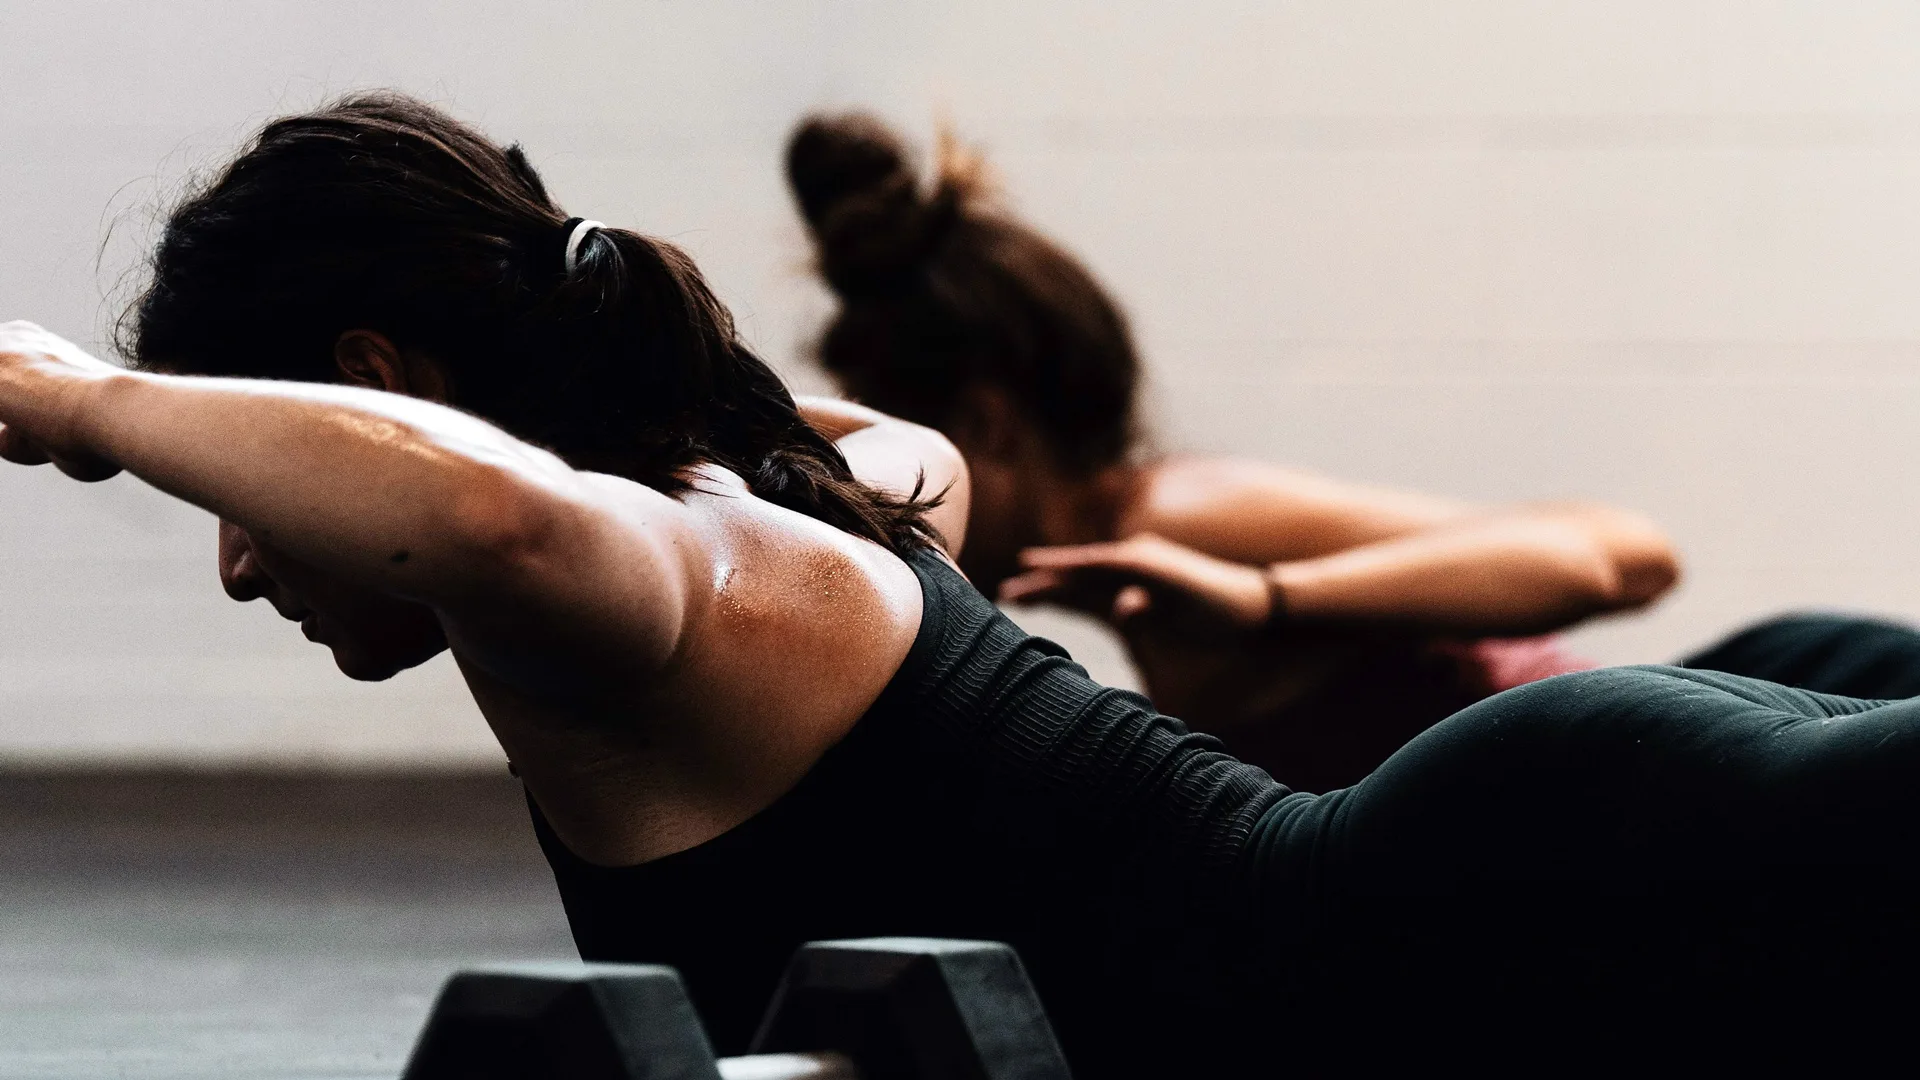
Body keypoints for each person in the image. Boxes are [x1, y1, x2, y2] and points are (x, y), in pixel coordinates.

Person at [8, 93, 1920, 1071]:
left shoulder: (641, 567)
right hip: (1527, 862)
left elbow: (500, 520)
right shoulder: (786, 478)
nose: (248, 553)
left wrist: (91, 404)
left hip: (1496, 910)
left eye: (246, 481)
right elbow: (900, 453)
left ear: (373, 393)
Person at [785, 113, 1690, 790]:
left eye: (887, 449)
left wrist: (1266, 601)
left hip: (1648, 791)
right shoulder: (1139, 586)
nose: (877, 497)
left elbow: (1624, 557)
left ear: (985, 428)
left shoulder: (1180, 514)